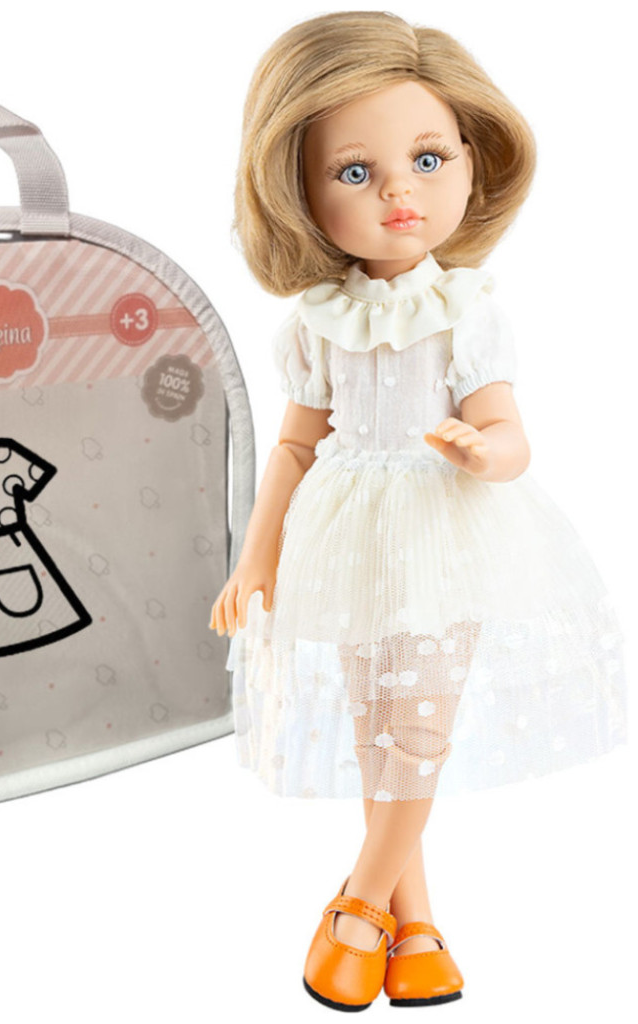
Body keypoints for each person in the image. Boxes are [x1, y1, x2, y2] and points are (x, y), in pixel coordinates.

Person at [209, 11, 626, 1011]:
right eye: (355, 172)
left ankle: (359, 904)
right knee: (379, 732)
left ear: (472, 162)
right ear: (299, 192)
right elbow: (295, 445)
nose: (400, 191)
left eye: (428, 159)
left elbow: (506, 426)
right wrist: (256, 557)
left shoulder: (466, 311)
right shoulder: (318, 323)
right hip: (345, 538)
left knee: (416, 732)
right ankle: (420, 924)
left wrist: (487, 453)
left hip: (443, 534)